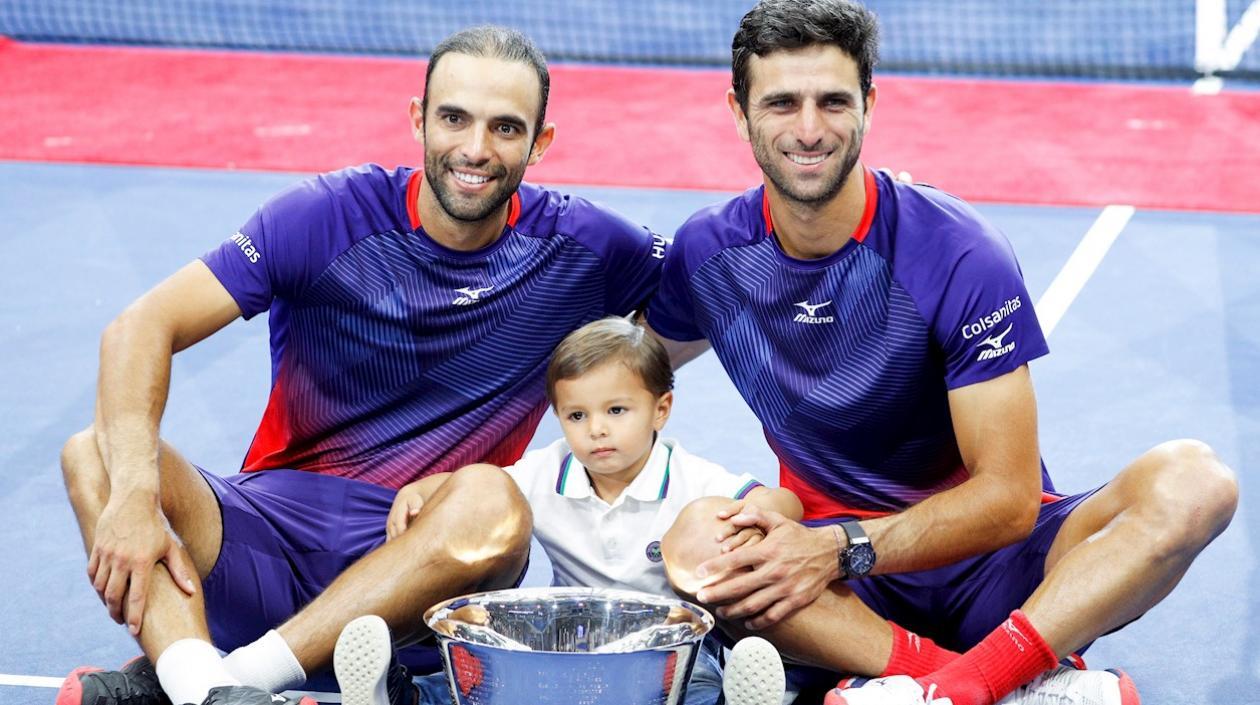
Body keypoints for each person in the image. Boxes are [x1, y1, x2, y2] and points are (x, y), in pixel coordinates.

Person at [646, 2, 1239, 705]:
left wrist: (840, 546)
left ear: (868, 104)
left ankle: (946, 686)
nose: (809, 129)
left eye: (833, 101)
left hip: (992, 566)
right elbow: (630, 366)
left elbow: (1010, 501)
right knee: (698, 552)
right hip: (841, 594)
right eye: (781, 103)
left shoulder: (955, 250)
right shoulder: (710, 253)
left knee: (1196, 482)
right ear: (740, 114)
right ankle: (1011, 677)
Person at [57, 25, 667, 705]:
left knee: (496, 499)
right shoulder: (327, 216)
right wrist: (137, 496)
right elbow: (139, 326)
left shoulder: (587, 248)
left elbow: (714, 285)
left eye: (505, 127)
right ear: (418, 119)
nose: (475, 148)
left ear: (540, 142)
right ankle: (211, 684)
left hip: (423, 579)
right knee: (96, 451)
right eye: (454, 118)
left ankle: (214, 683)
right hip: (260, 541)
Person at [365, 315, 802, 705]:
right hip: (566, 640)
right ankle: (402, 694)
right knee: (493, 680)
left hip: (663, 649)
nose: (597, 429)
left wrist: (761, 516)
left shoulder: (690, 477)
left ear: (660, 410)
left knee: (695, 684)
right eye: (576, 416)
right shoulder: (548, 469)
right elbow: (485, 489)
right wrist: (424, 488)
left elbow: (779, 500)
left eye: (616, 410)